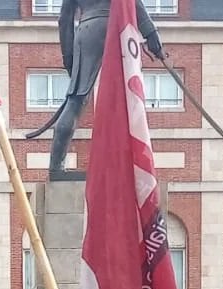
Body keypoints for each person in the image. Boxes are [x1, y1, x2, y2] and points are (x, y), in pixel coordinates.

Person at [50, 0, 165, 175]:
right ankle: (127, 165)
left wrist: (68, 57)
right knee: (126, 98)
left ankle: (56, 167)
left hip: (87, 30)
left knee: (76, 100)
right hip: (117, 29)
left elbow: (65, 19)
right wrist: (150, 32)